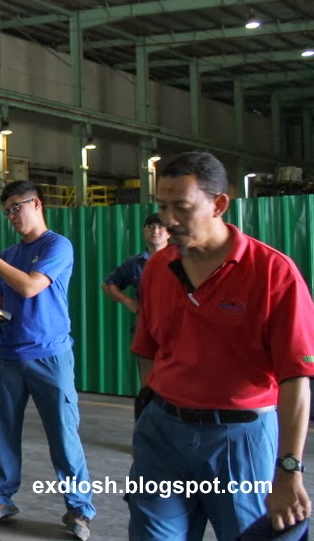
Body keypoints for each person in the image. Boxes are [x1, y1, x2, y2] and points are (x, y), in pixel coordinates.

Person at [129, 151, 314, 539]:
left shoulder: (273, 274)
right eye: (163, 206)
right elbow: (148, 349)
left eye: (181, 207)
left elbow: (296, 380)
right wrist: (153, 412)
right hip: (162, 435)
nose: (168, 220)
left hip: (238, 441)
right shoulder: (159, 269)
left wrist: (289, 469)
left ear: (219, 204)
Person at [0, 180, 95, 541]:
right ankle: (0, 500)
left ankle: (80, 509)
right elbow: (7, 300)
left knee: (63, 434)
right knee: (4, 433)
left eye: (16, 208)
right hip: (8, 355)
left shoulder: (57, 245)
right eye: (6, 211)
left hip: (50, 355)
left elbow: (31, 286)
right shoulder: (10, 252)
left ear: (36, 204)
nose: (11, 216)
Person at [101, 213, 169, 316]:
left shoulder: (182, 260)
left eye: (161, 227)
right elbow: (107, 285)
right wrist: (128, 301)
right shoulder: (134, 264)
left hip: (179, 324)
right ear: (144, 231)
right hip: (147, 323)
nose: (155, 231)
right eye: (150, 227)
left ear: (169, 233)